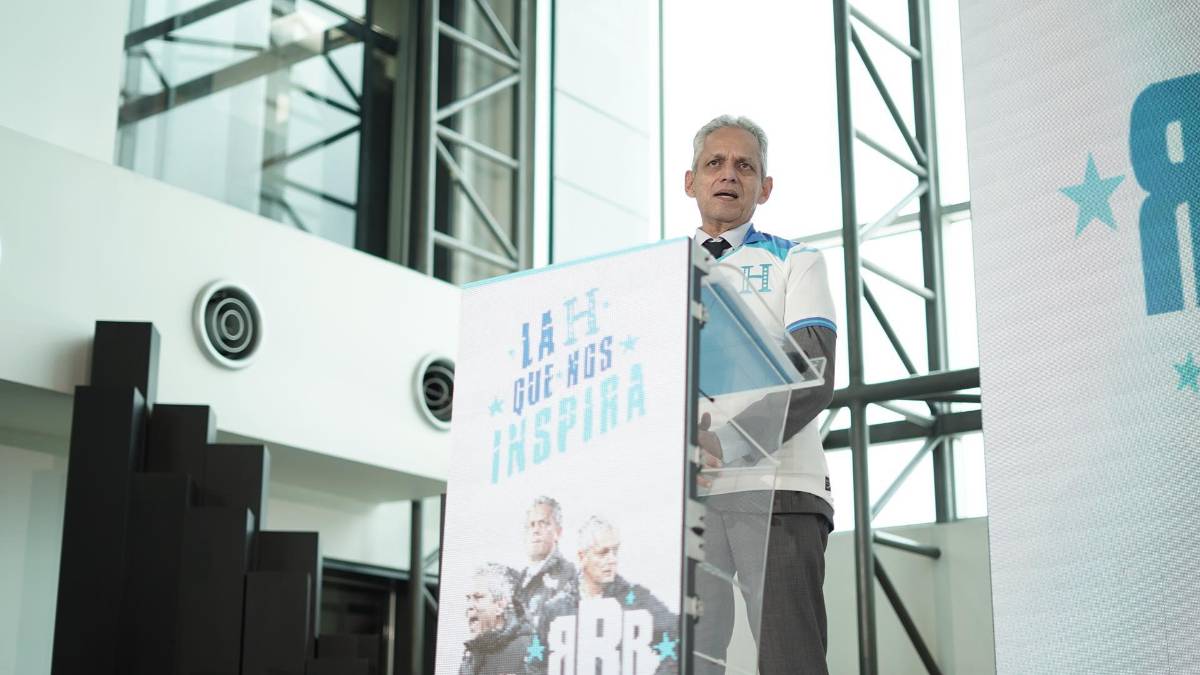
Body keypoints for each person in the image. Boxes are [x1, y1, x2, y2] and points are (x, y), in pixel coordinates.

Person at [686, 115, 837, 674]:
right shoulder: (658, 272)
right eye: (715, 163)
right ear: (690, 181)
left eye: (744, 166)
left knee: (790, 660)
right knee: (687, 661)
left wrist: (725, 443)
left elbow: (812, 374)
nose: (729, 174)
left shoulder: (796, 261)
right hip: (687, 498)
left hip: (780, 490)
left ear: (765, 188)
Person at [537, 517, 679, 675]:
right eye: (603, 553)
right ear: (582, 557)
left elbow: (677, 640)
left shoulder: (638, 601)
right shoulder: (556, 609)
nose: (612, 560)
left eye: (615, 551)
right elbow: (535, 663)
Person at [459, 563, 534, 675]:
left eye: (478, 597)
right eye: (468, 598)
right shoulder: (470, 656)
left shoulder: (529, 650)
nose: (469, 606)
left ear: (500, 605)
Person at [513, 496, 576, 628]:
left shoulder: (568, 574)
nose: (536, 530)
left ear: (558, 532)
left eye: (543, 523)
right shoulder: (517, 581)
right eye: (531, 525)